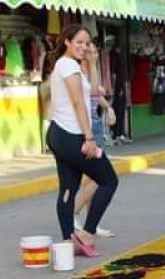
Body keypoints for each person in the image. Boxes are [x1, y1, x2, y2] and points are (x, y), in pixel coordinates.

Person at [46, 24, 118, 258]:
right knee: (108, 180)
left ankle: (68, 241)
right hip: (73, 136)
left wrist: (91, 61)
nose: (83, 47)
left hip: (59, 134)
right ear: (66, 41)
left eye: (86, 43)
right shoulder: (68, 66)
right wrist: (90, 138)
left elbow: (94, 91)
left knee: (68, 188)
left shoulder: (69, 66)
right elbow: (79, 104)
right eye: (79, 42)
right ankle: (86, 233)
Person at [74, 40, 115, 238]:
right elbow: (92, 91)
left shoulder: (90, 67)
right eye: (91, 50)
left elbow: (97, 94)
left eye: (95, 51)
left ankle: (91, 222)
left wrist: (108, 107)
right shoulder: (79, 69)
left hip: (95, 124)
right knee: (94, 180)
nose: (95, 53)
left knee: (93, 179)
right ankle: (73, 214)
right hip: (88, 128)